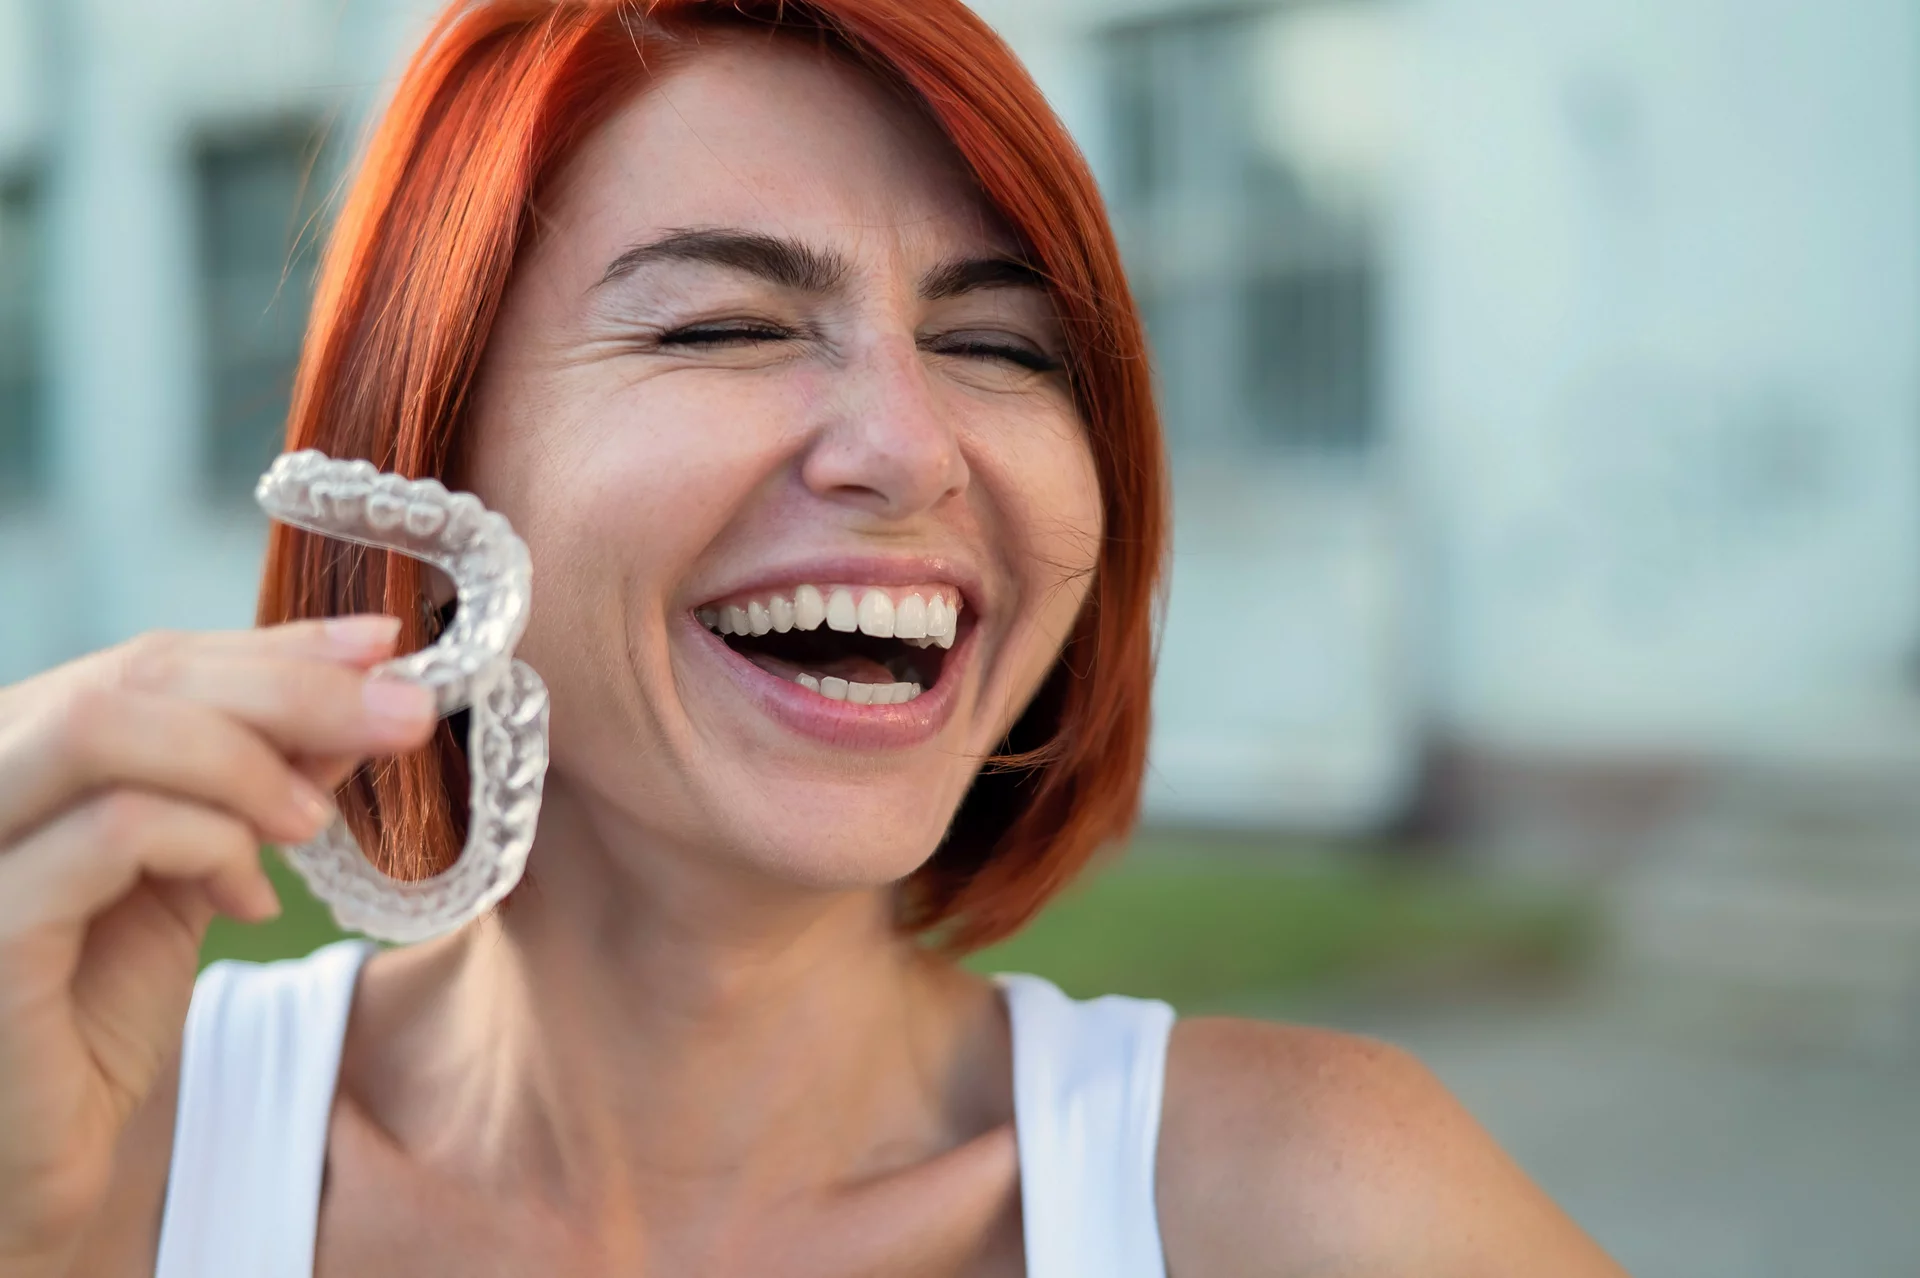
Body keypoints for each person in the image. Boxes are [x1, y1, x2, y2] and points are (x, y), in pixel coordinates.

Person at [0, 2, 1628, 1274]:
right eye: (729, 325)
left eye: (1000, 343)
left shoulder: (1313, 1208)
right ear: (426, 472)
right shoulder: (91, 1173)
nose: (910, 450)